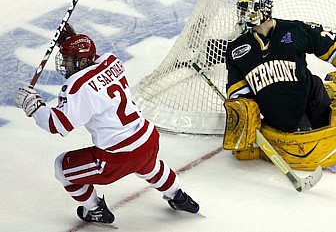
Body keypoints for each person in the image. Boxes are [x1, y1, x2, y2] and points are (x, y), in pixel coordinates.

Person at [15, 24, 199, 225]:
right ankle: (179, 197)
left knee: (62, 167)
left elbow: (57, 125)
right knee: (149, 166)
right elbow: (95, 66)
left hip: (117, 157)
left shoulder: (77, 86)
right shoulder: (111, 61)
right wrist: (75, 39)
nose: (65, 65)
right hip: (148, 140)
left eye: (68, 60)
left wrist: (33, 105)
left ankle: (95, 210)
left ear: (83, 60)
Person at [222, 0, 336, 168]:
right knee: (308, 151)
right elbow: (238, 93)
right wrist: (243, 120)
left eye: (250, 10)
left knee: (316, 84)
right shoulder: (237, 49)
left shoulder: (293, 30)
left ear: (265, 10)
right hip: (284, 112)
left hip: (309, 95)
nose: (245, 16)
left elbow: (331, 40)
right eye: (242, 11)